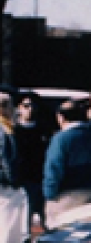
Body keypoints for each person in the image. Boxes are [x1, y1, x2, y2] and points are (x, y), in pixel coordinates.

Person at [43, 100, 91, 221]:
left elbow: (53, 169)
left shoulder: (60, 139)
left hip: (66, 198)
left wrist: (49, 194)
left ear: (61, 117)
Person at [13, 91, 52, 233]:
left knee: (46, 219)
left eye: (33, 106)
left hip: (42, 178)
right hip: (24, 181)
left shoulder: (44, 130)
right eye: (26, 105)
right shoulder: (14, 131)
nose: (30, 109)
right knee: (24, 221)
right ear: (19, 108)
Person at [0, 93, 26, 243]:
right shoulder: (5, 130)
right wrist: (15, 181)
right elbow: (7, 161)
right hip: (6, 189)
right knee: (9, 235)